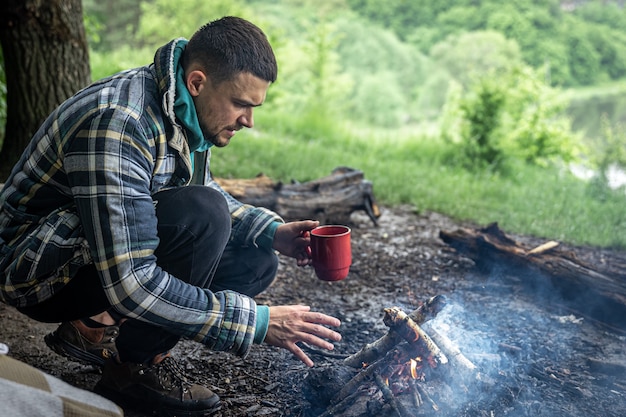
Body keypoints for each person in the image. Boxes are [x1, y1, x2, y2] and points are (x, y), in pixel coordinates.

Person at [0, 16, 342, 417]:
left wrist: (272, 231)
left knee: (256, 259)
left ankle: (103, 332)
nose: (249, 121)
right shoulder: (119, 123)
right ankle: (130, 368)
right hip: (35, 270)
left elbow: (202, 190)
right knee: (204, 216)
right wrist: (255, 323)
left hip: (99, 251)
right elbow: (134, 281)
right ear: (197, 82)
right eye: (241, 104)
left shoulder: (186, 108)